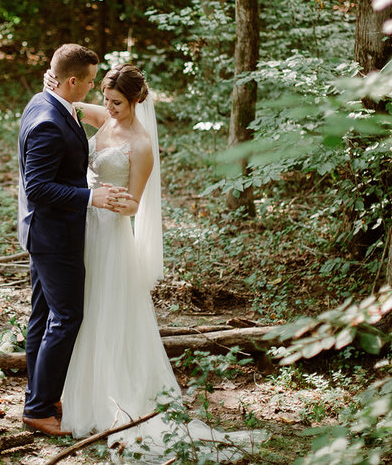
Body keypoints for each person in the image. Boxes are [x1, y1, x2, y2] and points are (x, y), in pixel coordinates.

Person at [46, 63, 268, 462]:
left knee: (105, 311)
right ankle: (73, 391)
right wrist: (52, 83)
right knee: (78, 309)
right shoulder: (103, 116)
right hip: (84, 225)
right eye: (107, 101)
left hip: (110, 233)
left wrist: (109, 199)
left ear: (134, 101)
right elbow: (73, 105)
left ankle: (111, 398)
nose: (108, 108)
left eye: (116, 103)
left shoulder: (142, 144)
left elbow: (135, 204)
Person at [17, 44, 128, 438]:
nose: (95, 87)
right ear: (72, 81)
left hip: (44, 232)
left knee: (44, 316)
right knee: (66, 318)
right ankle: (38, 407)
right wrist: (90, 196)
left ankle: (41, 395)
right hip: (54, 235)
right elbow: (38, 187)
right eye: (91, 80)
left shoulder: (43, 102)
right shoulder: (49, 121)